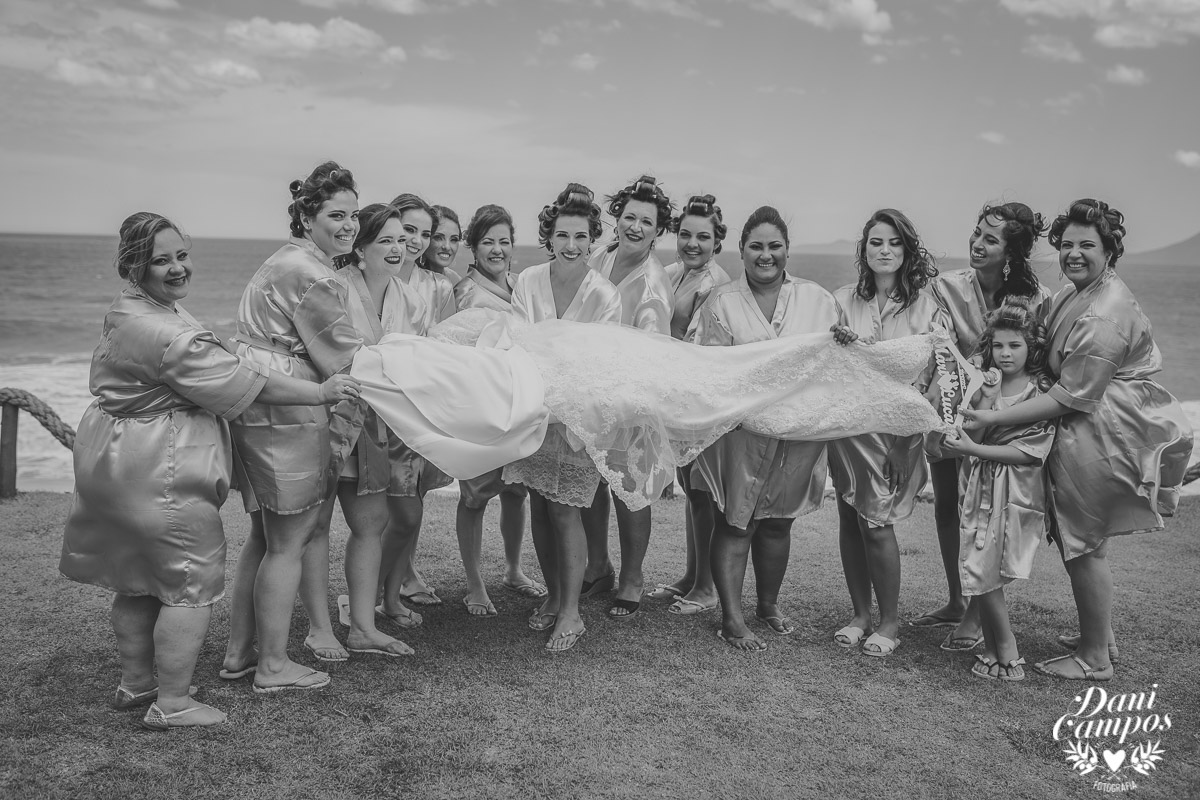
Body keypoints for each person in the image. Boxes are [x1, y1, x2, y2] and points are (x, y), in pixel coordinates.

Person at [60, 212, 359, 729]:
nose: (178, 268)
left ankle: (137, 683)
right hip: (159, 469)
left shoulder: (127, 311)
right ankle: (173, 703)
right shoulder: (172, 337)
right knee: (188, 584)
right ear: (133, 265)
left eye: (181, 254)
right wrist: (319, 392)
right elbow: (248, 383)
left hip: (109, 462)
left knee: (135, 580)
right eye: (162, 260)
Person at [962, 198, 1192, 681]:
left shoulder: (1103, 314)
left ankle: (1094, 659)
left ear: (1110, 249)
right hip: (1095, 424)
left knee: (1084, 542)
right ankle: (1099, 634)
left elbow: (1069, 397)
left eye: (1087, 245)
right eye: (1067, 244)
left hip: (1102, 429)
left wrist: (990, 415)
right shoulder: (1081, 290)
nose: (1074, 253)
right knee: (1085, 541)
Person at [222, 161, 365, 693]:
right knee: (290, 539)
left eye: (353, 215)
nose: (349, 225)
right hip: (289, 407)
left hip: (258, 398)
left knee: (263, 535)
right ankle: (274, 665)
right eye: (336, 215)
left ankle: (240, 652)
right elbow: (345, 357)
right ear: (307, 216)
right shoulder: (313, 274)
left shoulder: (284, 261)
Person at [692, 206, 842, 651]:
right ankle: (732, 618)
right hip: (741, 433)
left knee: (778, 523)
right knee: (737, 523)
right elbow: (712, 369)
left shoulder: (819, 300)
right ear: (741, 251)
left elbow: (833, 362)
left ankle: (769, 605)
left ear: (787, 250)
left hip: (798, 433)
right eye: (756, 246)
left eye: (774, 246)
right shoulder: (721, 302)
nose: (765, 255)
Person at [919, 202, 1052, 653]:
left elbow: (1041, 360)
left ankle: (977, 613)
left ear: (1011, 252)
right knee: (947, 508)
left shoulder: (1036, 299)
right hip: (951, 409)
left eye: (990, 239)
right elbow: (934, 343)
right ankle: (958, 600)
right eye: (976, 234)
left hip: (1009, 419)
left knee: (990, 517)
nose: (977, 243)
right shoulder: (946, 286)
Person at [502, 182, 622, 650]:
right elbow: (516, 340)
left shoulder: (605, 294)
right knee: (539, 506)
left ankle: (572, 613)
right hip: (533, 413)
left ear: (592, 239)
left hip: (576, 418)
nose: (571, 245)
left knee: (567, 512)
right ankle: (553, 597)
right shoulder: (528, 280)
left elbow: (599, 361)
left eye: (580, 236)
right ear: (548, 237)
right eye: (562, 235)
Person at [313, 203, 424, 657]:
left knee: (371, 523)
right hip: (330, 420)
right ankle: (319, 628)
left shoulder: (408, 297)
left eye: (402, 239)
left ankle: (362, 627)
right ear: (360, 251)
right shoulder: (334, 290)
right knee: (313, 526)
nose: (400, 248)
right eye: (387, 240)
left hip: (378, 423)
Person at [827, 209, 939, 657]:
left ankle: (890, 622)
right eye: (876, 242)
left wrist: (905, 441)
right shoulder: (842, 300)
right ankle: (860, 615)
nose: (885, 250)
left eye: (894, 242)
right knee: (850, 519)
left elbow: (933, 378)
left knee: (877, 524)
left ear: (907, 249)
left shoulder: (927, 307)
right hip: (847, 427)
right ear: (864, 249)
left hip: (896, 432)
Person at [941, 301, 1055, 681]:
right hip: (978, 487)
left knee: (986, 566)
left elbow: (1030, 451)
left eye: (1015, 346)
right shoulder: (984, 384)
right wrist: (985, 401)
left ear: (1031, 349)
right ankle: (993, 648)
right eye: (999, 345)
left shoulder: (1041, 391)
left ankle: (1007, 651)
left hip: (1015, 492)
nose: (1005, 354)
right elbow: (965, 431)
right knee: (979, 562)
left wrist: (974, 450)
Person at [581, 175, 675, 619]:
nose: (635, 227)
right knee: (590, 482)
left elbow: (653, 348)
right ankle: (598, 565)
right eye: (630, 217)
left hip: (630, 396)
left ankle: (632, 576)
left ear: (659, 231)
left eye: (647, 222)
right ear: (617, 218)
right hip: (589, 389)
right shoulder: (599, 255)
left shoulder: (654, 284)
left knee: (629, 487)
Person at [451, 204, 546, 615]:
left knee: (515, 491)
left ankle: (513, 569)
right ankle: (474, 584)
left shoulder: (522, 285)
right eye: (487, 241)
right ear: (472, 247)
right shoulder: (465, 292)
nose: (496, 249)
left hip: (519, 401)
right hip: (481, 404)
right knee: (474, 495)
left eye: (504, 241)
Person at [646, 194, 732, 616]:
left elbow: (698, 345)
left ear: (718, 241)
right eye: (685, 234)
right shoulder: (673, 273)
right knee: (690, 489)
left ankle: (706, 587)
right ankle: (689, 575)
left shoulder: (715, 284)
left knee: (703, 492)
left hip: (699, 396)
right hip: (673, 394)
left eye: (703, 236)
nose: (692, 243)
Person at [376, 192, 457, 619]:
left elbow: (442, 345)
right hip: (381, 407)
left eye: (425, 233)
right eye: (409, 230)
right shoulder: (373, 278)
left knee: (412, 504)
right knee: (394, 512)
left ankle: (395, 589)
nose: (418, 241)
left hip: (418, 407)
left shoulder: (436, 285)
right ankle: (370, 594)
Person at [424, 204, 465, 286]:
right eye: (438, 238)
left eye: (453, 240)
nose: (447, 246)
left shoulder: (457, 282)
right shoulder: (407, 279)